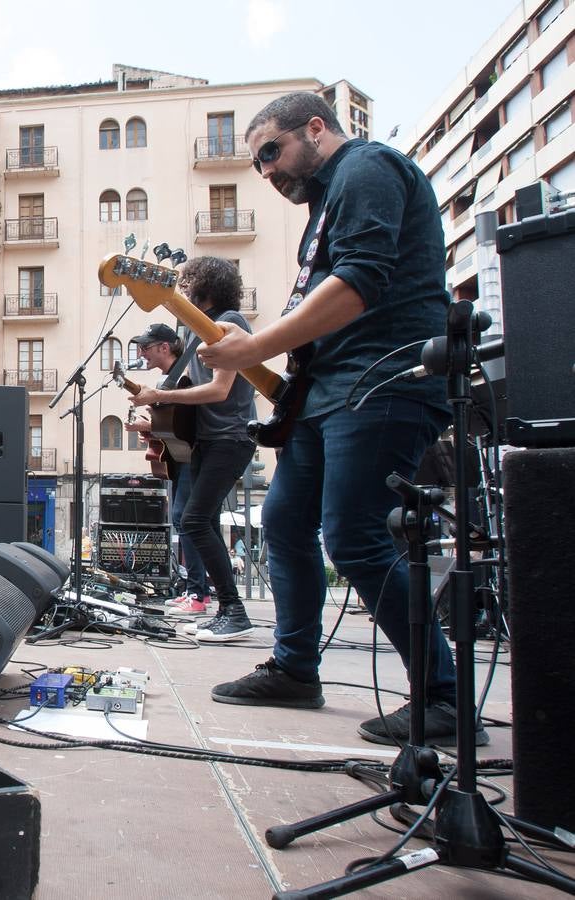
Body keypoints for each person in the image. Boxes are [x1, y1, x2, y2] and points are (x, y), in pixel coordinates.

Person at [199, 92, 464, 745]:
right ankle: (295, 669)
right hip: (331, 390)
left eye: (271, 152)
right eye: (257, 163)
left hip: (384, 380)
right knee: (287, 520)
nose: (266, 172)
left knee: (354, 535)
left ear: (316, 128)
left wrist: (254, 348)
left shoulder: (367, 168)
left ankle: (443, 696)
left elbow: (364, 280)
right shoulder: (327, 203)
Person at [129, 257, 258, 642]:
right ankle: (225, 609)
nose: (184, 292)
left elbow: (219, 390)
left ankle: (232, 610)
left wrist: (161, 394)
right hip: (208, 440)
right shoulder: (198, 332)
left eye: (188, 286)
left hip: (231, 438)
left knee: (196, 521)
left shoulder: (231, 322)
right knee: (193, 518)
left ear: (206, 287)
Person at [124, 323, 214, 613]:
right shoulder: (169, 379)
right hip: (182, 456)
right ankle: (201, 591)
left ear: (165, 347)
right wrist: (150, 429)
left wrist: (152, 425)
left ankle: (197, 593)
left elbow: (187, 424)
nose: (142, 353)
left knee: (186, 519)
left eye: (147, 347)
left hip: (192, 456)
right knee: (196, 521)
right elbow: (175, 423)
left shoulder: (184, 377)